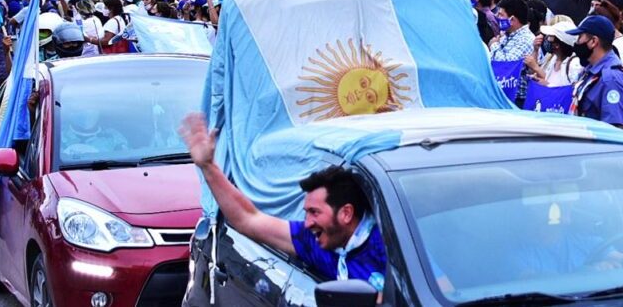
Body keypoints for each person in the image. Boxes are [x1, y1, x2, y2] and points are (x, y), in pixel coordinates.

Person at [179, 114, 387, 291]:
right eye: (306, 213)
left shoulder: (390, 246)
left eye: (315, 212)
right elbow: (248, 219)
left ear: (346, 213)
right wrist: (208, 167)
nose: (307, 223)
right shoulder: (313, 241)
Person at [567, 15, 623, 129]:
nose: (577, 42)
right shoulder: (591, 71)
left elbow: (616, 131)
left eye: (580, 37)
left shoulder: (612, 79)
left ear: (593, 41)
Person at [489, 0, 535, 106]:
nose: (497, 17)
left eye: (501, 15)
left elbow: (506, 63)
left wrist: (494, 45)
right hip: (500, 94)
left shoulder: (526, 39)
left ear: (512, 20)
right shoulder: (505, 36)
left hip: (516, 100)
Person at [525, 20, 581, 87]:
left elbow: (572, 91)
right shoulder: (553, 58)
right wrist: (535, 50)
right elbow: (546, 79)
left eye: (550, 36)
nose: (547, 38)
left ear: (557, 44)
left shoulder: (574, 64)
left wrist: (536, 67)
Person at [61, 108, 129, 157]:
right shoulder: (57, 136)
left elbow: (126, 162)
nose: (86, 112)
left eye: (91, 107)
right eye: (80, 108)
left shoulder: (113, 137)